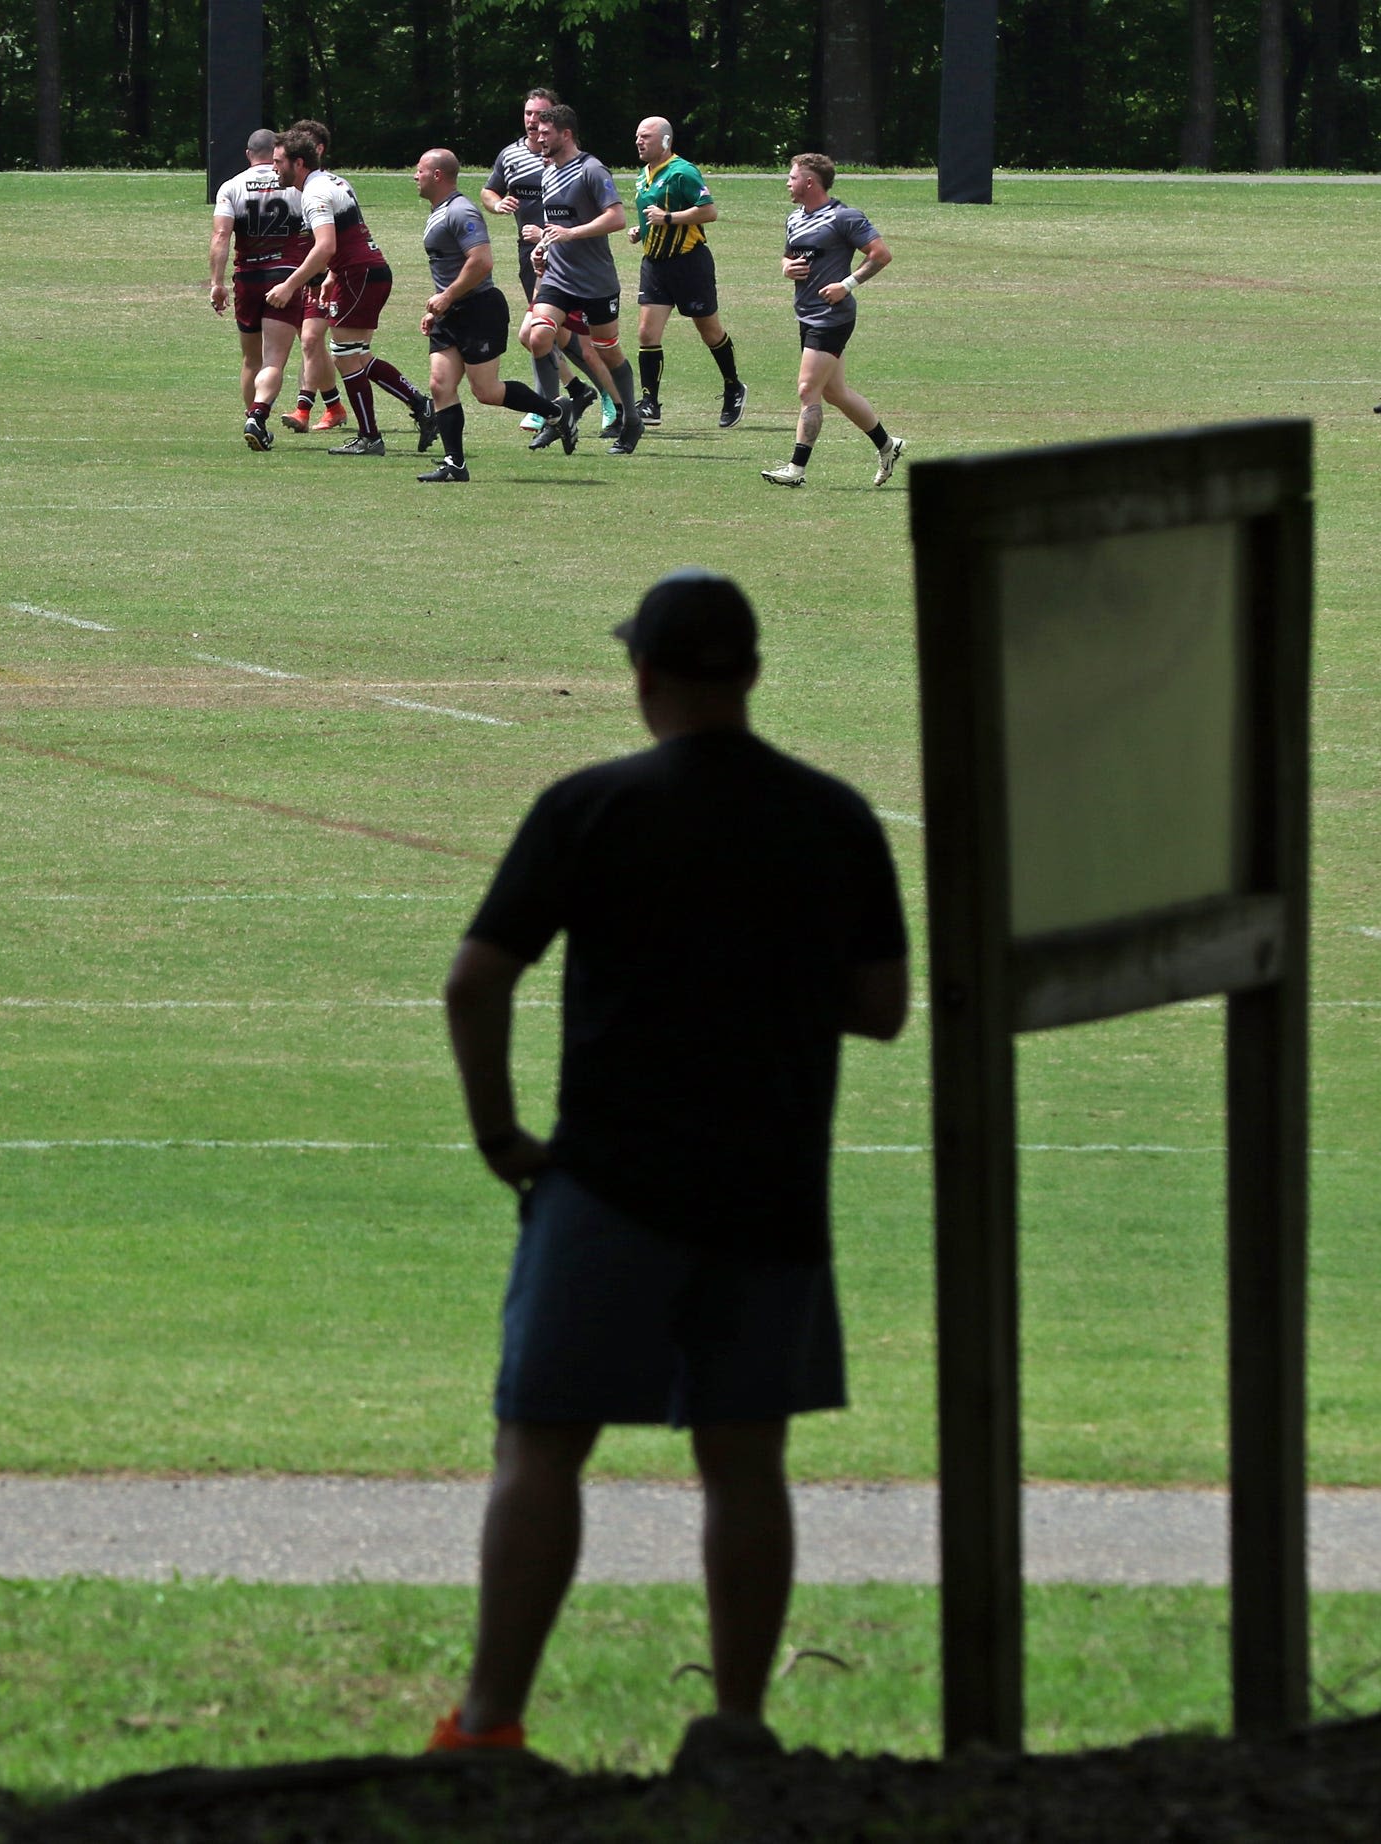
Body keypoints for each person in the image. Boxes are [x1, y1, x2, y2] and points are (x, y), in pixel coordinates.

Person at [434, 570, 908, 1765]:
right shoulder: (832, 814)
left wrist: (501, 1139)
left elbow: (473, 979)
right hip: (770, 1181)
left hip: (605, 1181)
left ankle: (487, 1722)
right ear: (749, 672)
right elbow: (881, 1005)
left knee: (541, 1442)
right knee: (744, 1458)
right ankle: (738, 1720)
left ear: (640, 676)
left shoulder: (591, 806)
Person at [266, 128, 435, 458]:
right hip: (365, 273)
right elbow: (349, 236)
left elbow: (326, 245)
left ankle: (373, 435)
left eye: (278, 162)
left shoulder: (314, 193)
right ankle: (419, 407)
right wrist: (332, 275)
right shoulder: (334, 181)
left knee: (345, 355)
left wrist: (290, 285)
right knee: (356, 356)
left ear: (298, 163)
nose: (274, 168)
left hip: (361, 276)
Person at [411, 148, 576, 483]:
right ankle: (454, 464)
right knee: (440, 385)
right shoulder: (439, 210)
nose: (416, 176)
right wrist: (438, 307)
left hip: (479, 309)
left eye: (420, 170)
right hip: (451, 311)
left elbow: (482, 262)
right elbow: (450, 268)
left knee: (485, 391)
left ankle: (557, 411)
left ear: (438, 175)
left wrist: (447, 296)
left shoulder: (461, 211)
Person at [762, 154, 904, 490]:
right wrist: (786, 267)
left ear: (810, 182)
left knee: (807, 390)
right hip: (806, 313)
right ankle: (888, 445)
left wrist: (847, 285)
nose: (787, 182)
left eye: (793, 177)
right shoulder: (794, 219)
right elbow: (788, 254)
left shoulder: (845, 217)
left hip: (831, 317)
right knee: (835, 392)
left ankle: (796, 469)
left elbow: (881, 254)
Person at [515, 105, 643, 457]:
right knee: (536, 335)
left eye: (545, 133)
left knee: (607, 350)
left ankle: (631, 419)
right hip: (558, 277)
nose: (538, 138)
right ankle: (553, 415)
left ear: (565, 134)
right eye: (537, 132)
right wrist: (542, 247)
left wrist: (572, 234)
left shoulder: (590, 169)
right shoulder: (547, 172)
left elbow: (616, 218)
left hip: (596, 281)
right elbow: (554, 226)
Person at [482, 88, 591, 444]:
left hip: (568, 255)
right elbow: (488, 191)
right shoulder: (511, 155)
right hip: (531, 256)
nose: (533, 122)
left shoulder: (565, 160)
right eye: (528, 113)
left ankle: (593, 398)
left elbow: (585, 209)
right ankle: (566, 397)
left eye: (541, 116)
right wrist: (498, 205)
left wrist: (547, 231)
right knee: (542, 333)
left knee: (549, 332)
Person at [628, 116, 745, 430]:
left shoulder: (684, 172)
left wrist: (667, 218)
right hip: (654, 265)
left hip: (689, 263)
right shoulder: (643, 176)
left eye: (646, 137)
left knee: (709, 331)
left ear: (665, 141)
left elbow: (709, 211)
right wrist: (642, 229)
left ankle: (733, 386)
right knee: (646, 333)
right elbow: (651, 213)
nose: (639, 141)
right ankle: (650, 402)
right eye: (638, 136)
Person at [209, 127, 308, 451]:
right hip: (284, 275)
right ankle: (257, 417)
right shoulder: (295, 184)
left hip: (248, 278)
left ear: (249, 153)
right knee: (273, 361)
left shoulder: (232, 186)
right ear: (277, 152)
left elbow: (221, 237)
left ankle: (249, 417)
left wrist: (216, 283)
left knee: (251, 359)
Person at [276, 117, 346, 435]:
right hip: (310, 275)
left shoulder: (324, 187)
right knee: (312, 344)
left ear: (314, 150)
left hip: (325, 276)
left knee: (313, 341)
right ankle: (333, 407)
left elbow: (336, 240)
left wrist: (324, 273)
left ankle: (306, 409)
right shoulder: (298, 187)